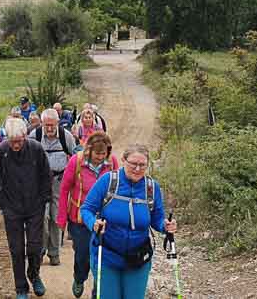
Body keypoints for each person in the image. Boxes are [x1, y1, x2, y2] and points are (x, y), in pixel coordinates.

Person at [81, 144, 177, 299]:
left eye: (142, 165)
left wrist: (165, 226)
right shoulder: (108, 181)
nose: (138, 169)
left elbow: (157, 218)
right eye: (133, 164)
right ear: (123, 160)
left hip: (138, 258)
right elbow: (86, 209)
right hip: (106, 255)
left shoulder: (152, 188)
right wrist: (93, 223)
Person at [0, 117, 51, 299]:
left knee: (35, 247)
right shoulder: (0, 152)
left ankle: (34, 274)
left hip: (34, 207)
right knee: (16, 250)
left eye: (19, 141)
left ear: (25, 136)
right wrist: (3, 204)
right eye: (12, 141)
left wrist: (43, 200)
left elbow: (45, 176)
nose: (15, 145)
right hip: (12, 209)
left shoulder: (36, 149)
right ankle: (21, 288)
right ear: (7, 138)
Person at [57, 132, 119, 298]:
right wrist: (62, 218)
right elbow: (64, 190)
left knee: (103, 257)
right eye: (97, 153)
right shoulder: (76, 162)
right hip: (80, 218)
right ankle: (79, 278)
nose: (100, 157)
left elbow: (118, 188)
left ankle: (97, 291)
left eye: (103, 153)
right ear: (89, 151)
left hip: (105, 220)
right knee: (83, 255)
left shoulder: (112, 163)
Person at [28, 108, 77, 266]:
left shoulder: (66, 137)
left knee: (57, 218)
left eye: (52, 125)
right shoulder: (34, 136)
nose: (49, 128)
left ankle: (54, 252)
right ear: (42, 123)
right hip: (39, 182)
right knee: (42, 217)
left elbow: (76, 156)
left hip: (59, 182)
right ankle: (41, 250)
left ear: (57, 123)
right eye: (46, 125)